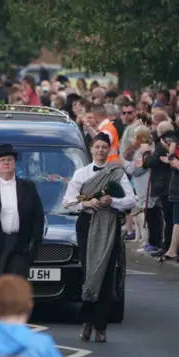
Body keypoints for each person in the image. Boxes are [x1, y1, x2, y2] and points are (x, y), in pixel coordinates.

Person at [62, 133, 136, 342]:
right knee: (89, 273)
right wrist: (86, 203)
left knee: (106, 274)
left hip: (109, 225)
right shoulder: (81, 173)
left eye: (104, 147)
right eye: (97, 147)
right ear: (91, 149)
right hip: (87, 224)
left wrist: (111, 201)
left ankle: (101, 326)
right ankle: (87, 321)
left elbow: (131, 200)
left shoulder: (117, 173)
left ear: (109, 149)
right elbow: (68, 201)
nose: (101, 150)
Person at [0, 144, 44, 311]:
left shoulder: (28, 187)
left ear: (15, 163)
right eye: (2, 160)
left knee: (16, 286)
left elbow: (38, 216)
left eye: (10, 160)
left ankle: (14, 318)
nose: (6, 163)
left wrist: (34, 240)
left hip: (19, 245)